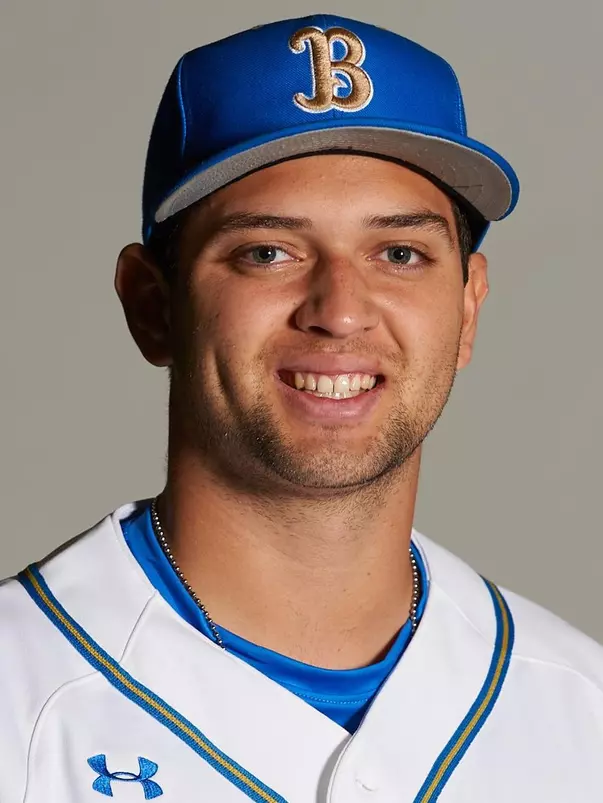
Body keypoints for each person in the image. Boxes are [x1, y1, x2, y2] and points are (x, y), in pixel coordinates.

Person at [1, 12, 602, 802]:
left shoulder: (580, 711)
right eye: (267, 251)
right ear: (152, 305)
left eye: (399, 253)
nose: (340, 310)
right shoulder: (20, 694)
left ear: (468, 308)